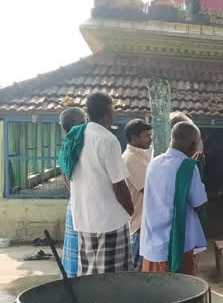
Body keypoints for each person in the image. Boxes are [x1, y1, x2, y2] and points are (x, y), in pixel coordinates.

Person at [70, 93, 134, 276]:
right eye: (113, 108)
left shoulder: (75, 136)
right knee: (112, 277)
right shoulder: (107, 139)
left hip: (83, 218)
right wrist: (131, 211)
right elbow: (119, 185)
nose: (115, 113)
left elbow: (67, 173)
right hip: (109, 220)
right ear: (107, 113)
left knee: (89, 275)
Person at [140, 122, 208, 275]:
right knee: (182, 295)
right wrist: (199, 169)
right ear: (192, 145)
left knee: (156, 295)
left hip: (152, 248)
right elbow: (200, 205)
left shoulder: (153, 163)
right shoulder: (187, 167)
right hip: (177, 247)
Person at [58, 108, 87, 278]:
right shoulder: (85, 145)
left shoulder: (66, 147)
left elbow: (67, 182)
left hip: (73, 205)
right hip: (86, 207)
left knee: (72, 253)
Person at [122, 119, 153, 270]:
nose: (150, 138)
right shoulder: (132, 158)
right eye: (146, 136)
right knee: (138, 271)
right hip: (140, 222)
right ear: (134, 138)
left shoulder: (139, 155)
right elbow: (149, 190)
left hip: (142, 219)